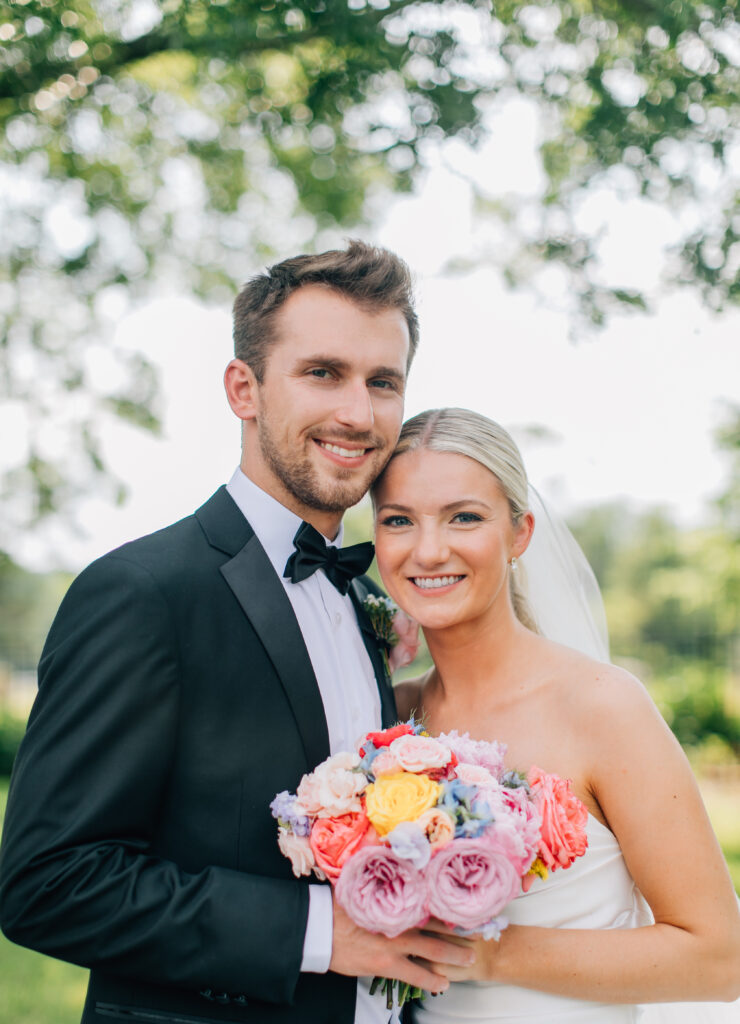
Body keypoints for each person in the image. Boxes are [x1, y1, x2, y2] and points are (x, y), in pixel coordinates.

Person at [0, 244, 471, 1024]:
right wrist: (319, 933)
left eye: (382, 382)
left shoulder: (369, 601)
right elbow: (48, 884)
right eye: (323, 372)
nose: (359, 413)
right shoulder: (143, 593)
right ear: (242, 389)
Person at [371, 407, 740, 1024]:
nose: (429, 550)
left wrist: (490, 956)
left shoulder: (603, 707)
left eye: (464, 517)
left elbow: (720, 958)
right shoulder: (392, 718)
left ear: (520, 533)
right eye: (399, 520)